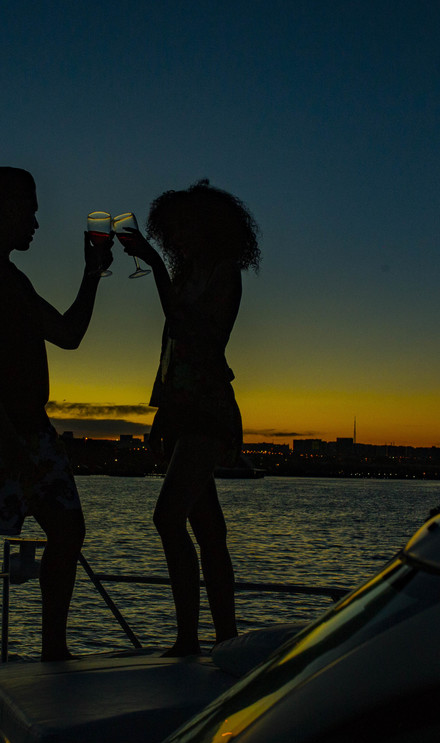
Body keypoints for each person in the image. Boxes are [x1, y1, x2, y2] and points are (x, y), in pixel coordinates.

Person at [0, 166, 110, 702]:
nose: (37, 220)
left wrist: (91, 274)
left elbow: (69, 335)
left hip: (33, 432)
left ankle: (53, 648)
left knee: (68, 529)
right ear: (6, 207)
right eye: (31, 208)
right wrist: (9, 443)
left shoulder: (15, 278)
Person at [120, 180, 261, 656]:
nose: (176, 238)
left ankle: (189, 638)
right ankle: (224, 638)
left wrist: (154, 264)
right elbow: (171, 353)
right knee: (209, 531)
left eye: (184, 228)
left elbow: (195, 333)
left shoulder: (225, 274)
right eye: (172, 230)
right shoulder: (186, 278)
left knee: (167, 517)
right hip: (182, 411)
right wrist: (160, 415)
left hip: (209, 410)